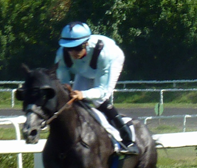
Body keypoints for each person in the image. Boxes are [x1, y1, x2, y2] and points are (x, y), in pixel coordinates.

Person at [54, 22, 138, 155]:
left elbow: (102, 90)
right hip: (86, 70)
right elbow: (63, 84)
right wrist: (70, 92)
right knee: (74, 101)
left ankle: (127, 137)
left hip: (111, 62)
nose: (72, 53)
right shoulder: (61, 55)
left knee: (99, 100)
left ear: (86, 43)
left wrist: (82, 94)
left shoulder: (104, 54)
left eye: (76, 48)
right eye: (68, 48)